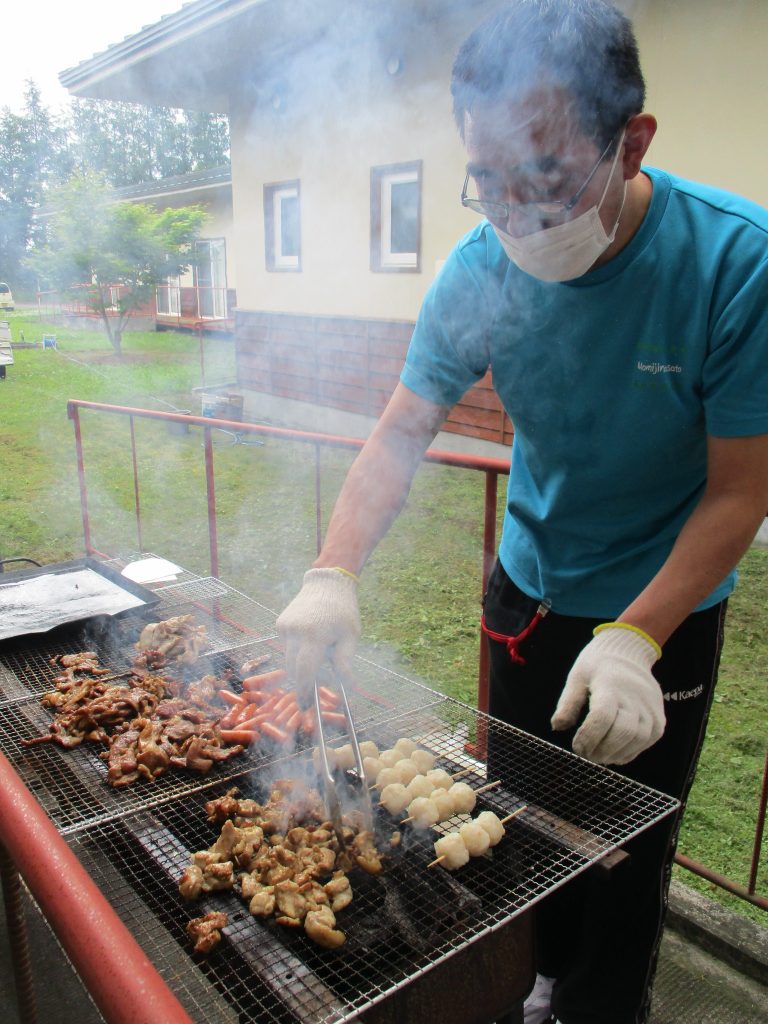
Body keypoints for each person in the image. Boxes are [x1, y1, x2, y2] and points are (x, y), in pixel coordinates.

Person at [277, 2, 768, 1022]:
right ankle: (523, 984)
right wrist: (333, 569)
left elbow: (741, 488)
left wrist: (637, 637)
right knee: (515, 824)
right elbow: (403, 427)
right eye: (484, 179)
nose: (510, 213)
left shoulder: (736, 262)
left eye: (542, 176)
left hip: (661, 612)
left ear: (631, 143)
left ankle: (601, 1005)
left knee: (626, 849)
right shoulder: (476, 271)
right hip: (530, 591)